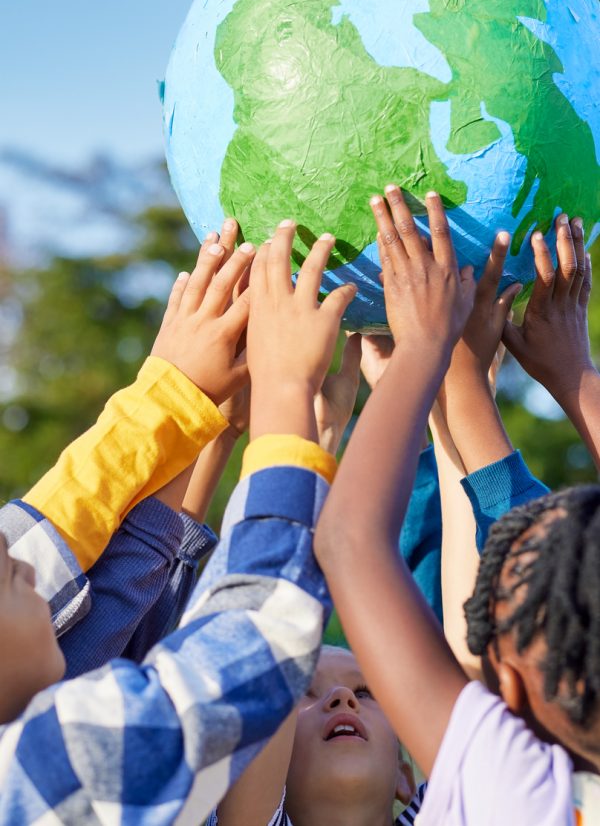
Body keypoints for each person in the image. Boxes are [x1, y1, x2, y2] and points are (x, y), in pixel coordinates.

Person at [0, 225, 356, 823]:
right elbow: (254, 639)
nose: (27, 567)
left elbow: (114, 611)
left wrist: (184, 403)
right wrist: (284, 390)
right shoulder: (47, 775)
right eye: (8, 575)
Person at [316, 189, 600, 825]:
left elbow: (349, 544)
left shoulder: (521, 797)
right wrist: (462, 384)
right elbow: (352, 544)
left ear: (510, 685)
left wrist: (435, 360)